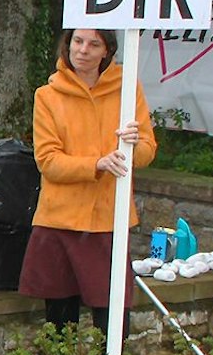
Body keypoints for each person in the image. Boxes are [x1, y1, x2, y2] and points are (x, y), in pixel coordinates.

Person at [20, 28, 156, 336]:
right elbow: (48, 161)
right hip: (59, 220)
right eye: (77, 41)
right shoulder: (47, 95)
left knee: (112, 324)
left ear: (107, 50)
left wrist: (133, 148)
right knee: (59, 325)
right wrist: (96, 164)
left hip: (108, 220)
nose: (83, 50)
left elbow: (148, 150)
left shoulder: (127, 89)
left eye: (94, 44)